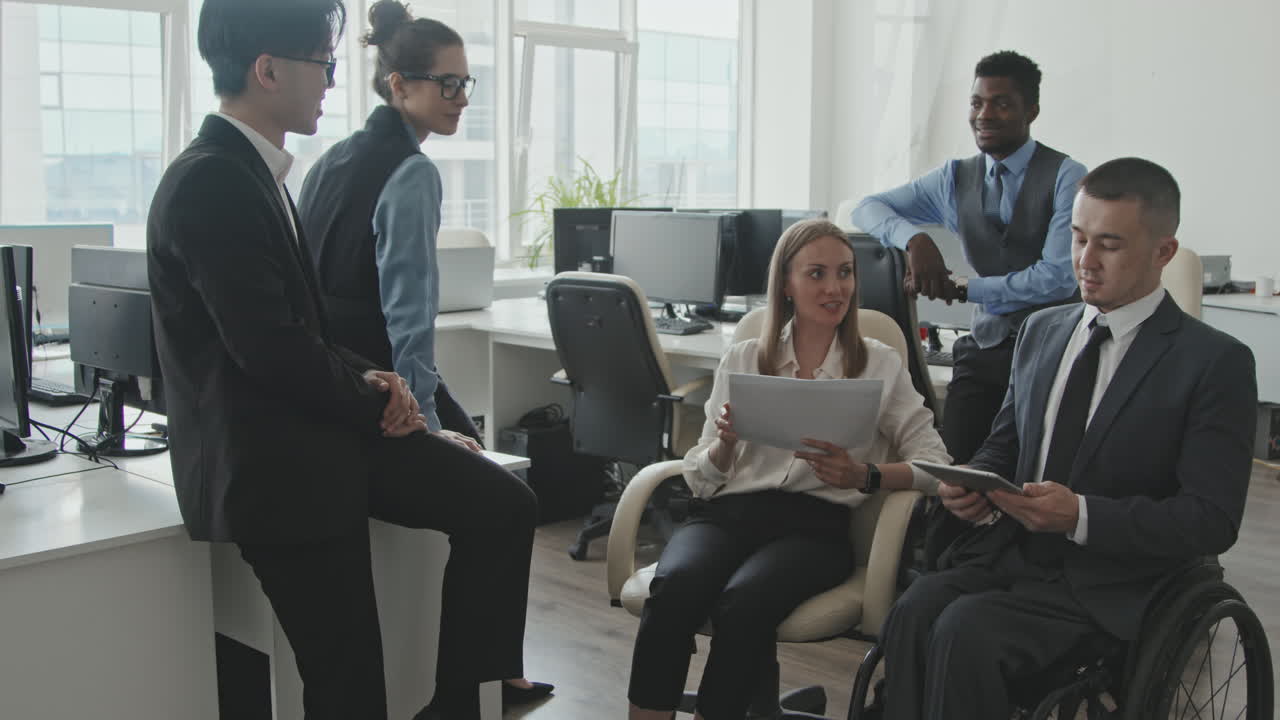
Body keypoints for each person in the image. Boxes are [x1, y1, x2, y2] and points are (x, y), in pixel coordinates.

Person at [147, 1, 537, 718]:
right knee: (349, 684)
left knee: (501, 503)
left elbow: (302, 329)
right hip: (275, 468)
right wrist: (379, 397)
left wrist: (377, 382)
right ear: (267, 70)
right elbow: (268, 350)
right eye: (322, 64)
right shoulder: (215, 181)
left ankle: (458, 701)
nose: (331, 80)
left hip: (315, 431)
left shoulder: (264, 171)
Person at [871, 158, 1257, 720]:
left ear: (1163, 253)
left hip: (1117, 580)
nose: (1085, 261)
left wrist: (1079, 515)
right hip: (1016, 555)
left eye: (1110, 245)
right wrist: (974, 485)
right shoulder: (1042, 330)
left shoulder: (1213, 363)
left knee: (964, 630)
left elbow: (1210, 520)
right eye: (1078, 238)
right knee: (914, 609)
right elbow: (1004, 446)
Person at [295, 1, 551, 706]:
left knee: (481, 449)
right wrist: (426, 428)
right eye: (448, 84)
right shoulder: (410, 172)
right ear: (398, 86)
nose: (462, 99)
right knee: (510, 504)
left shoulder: (332, 160)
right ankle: (455, 697)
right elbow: (407, 315)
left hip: (334, 384)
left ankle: (504, 674)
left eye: (468, 84)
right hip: (378, 404)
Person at [627, 219, 951, 720]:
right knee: (674, 587)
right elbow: (700, 478)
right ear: (787, 283)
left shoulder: (878, 364)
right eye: (817, 273)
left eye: (844, 273)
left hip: (814, 529)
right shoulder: (743, 357)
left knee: (744, 602)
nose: (835, 287)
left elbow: (937, 465)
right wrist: (724, 449)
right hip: (727, 514)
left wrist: (865, 475)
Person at [851, 50, 1087, 467]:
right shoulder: (953, 178)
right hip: (985, 349)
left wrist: (964, 288)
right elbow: (866, 208)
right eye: (977, 102)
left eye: (1001, 103)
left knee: (1030, 474)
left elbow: (1057, 279)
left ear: (1031, 110)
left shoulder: (1067, 177)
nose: (985, 114)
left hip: (1053, 350)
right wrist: (915, 238)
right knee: (953, 468)